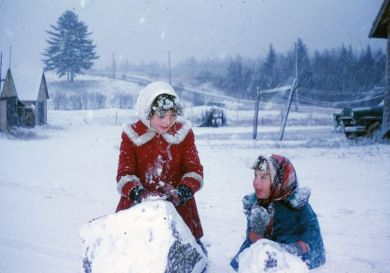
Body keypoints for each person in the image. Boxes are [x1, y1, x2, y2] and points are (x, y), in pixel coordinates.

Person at [115, 81, 205, 243]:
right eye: (161, 116)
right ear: (148, 112)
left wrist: (182, 192)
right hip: (138, 208)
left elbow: (194, 170)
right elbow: (124, 174)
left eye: (172, 115)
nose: (167, 122)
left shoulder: (183, 133)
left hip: (179, 209)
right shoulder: (132, 135)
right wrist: (140, 194)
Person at [230, 154, 326, 270]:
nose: (256, 182)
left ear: (279, 181)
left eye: (263, 177)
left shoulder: (297, 203)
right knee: (249, 264)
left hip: (295, 251)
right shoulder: (257, 204)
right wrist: (256, 233)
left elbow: (312, 229)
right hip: (267, 250)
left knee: (288, 266)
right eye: (255, 176)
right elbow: (252, 236)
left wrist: (300, 246)